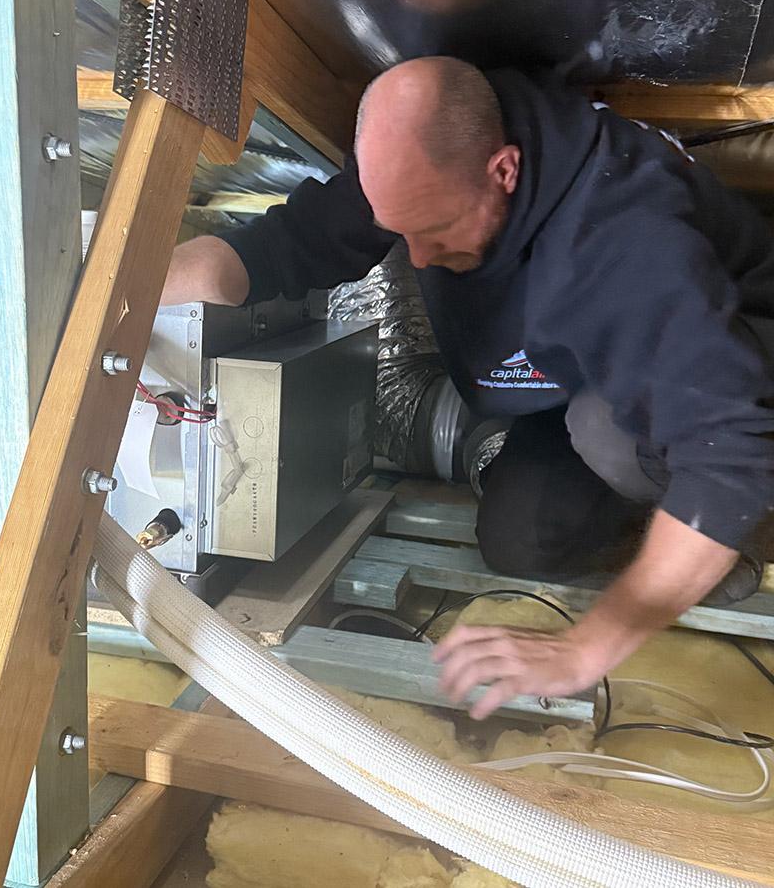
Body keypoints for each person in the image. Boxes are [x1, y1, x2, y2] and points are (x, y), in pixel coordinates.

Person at [162, 57, 774, 717]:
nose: (418, 258)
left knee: (609, 434)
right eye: (402, 232)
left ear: (503, 170)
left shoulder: (623, 241)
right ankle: (676, 536)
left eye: (435, 230)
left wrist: (589, 646)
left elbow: (730, 454)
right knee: (519, 538)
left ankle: (731, 537)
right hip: (579, 377)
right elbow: (282, 247)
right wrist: (119, 292)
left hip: (733, 374)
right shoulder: (425, 149)